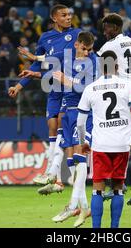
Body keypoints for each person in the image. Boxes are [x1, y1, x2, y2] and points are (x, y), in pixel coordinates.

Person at [8, 4, 81, 194]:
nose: (68, 17)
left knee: (61, 126)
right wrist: (18, 85)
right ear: (54, 18)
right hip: (54, 87)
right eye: (64, 15)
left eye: (69, 15)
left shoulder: (76, 35)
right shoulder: (45, 38)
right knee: (51, 125)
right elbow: (35, 65)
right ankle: (56, 178)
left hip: (69, 87)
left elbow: (73, 59)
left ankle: (56, 174)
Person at [76, 50, 131, 228]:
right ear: (117, 66)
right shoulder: (127, 85)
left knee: (97, 190)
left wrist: (83, 141)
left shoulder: (90, 88)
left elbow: (80, 122)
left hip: (100, 144)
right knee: (117, 188)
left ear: (100, 67)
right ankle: (114, 229)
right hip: (122, 144)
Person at [97, 13, 131, 206]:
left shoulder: (108, 46)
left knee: (119, 136)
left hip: (125, 93)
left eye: (107, 28)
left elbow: (97, 65)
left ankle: (124, 183)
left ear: (116, 27)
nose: (105, 32)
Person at [50, 31, 97, 227]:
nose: (87, 53)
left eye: (89, 50)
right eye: (84, 49)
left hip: (83, 113)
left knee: (79, 159)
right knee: (71, 160)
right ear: (77, 45)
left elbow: (85, 88)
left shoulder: (93, 62)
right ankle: (84, 208)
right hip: (68, 113)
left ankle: (71, 206)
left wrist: (66, 80)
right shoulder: (68, 60)